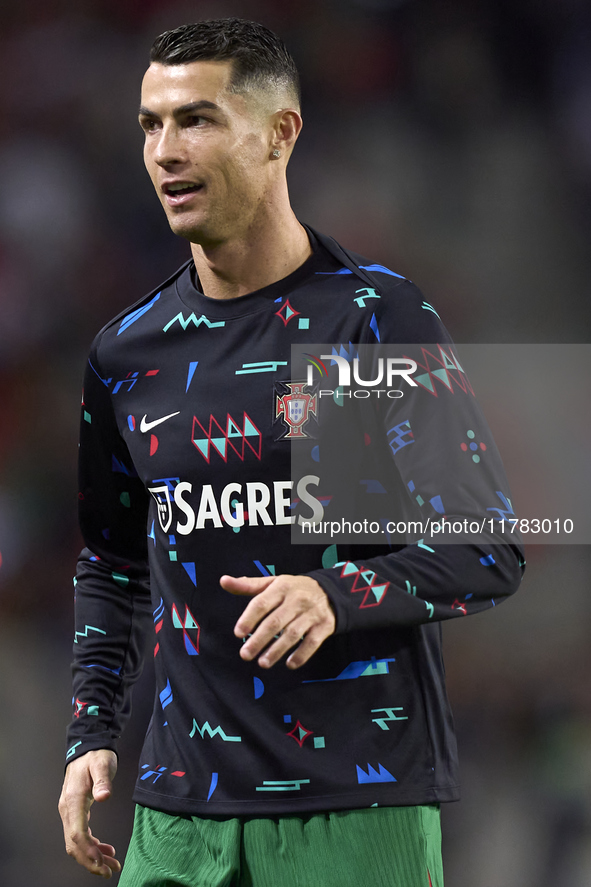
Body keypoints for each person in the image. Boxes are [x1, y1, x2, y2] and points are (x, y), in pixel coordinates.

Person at [58, 18, 525, 886]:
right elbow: (113, 560)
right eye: (150, 125)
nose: (164, 150)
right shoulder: (128, 353)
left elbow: (487, 543)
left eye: (195, 119)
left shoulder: (365, 324)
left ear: (281, 133)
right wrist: (90, 733)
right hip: (177, 815)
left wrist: (331, 590)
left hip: (352, 804)